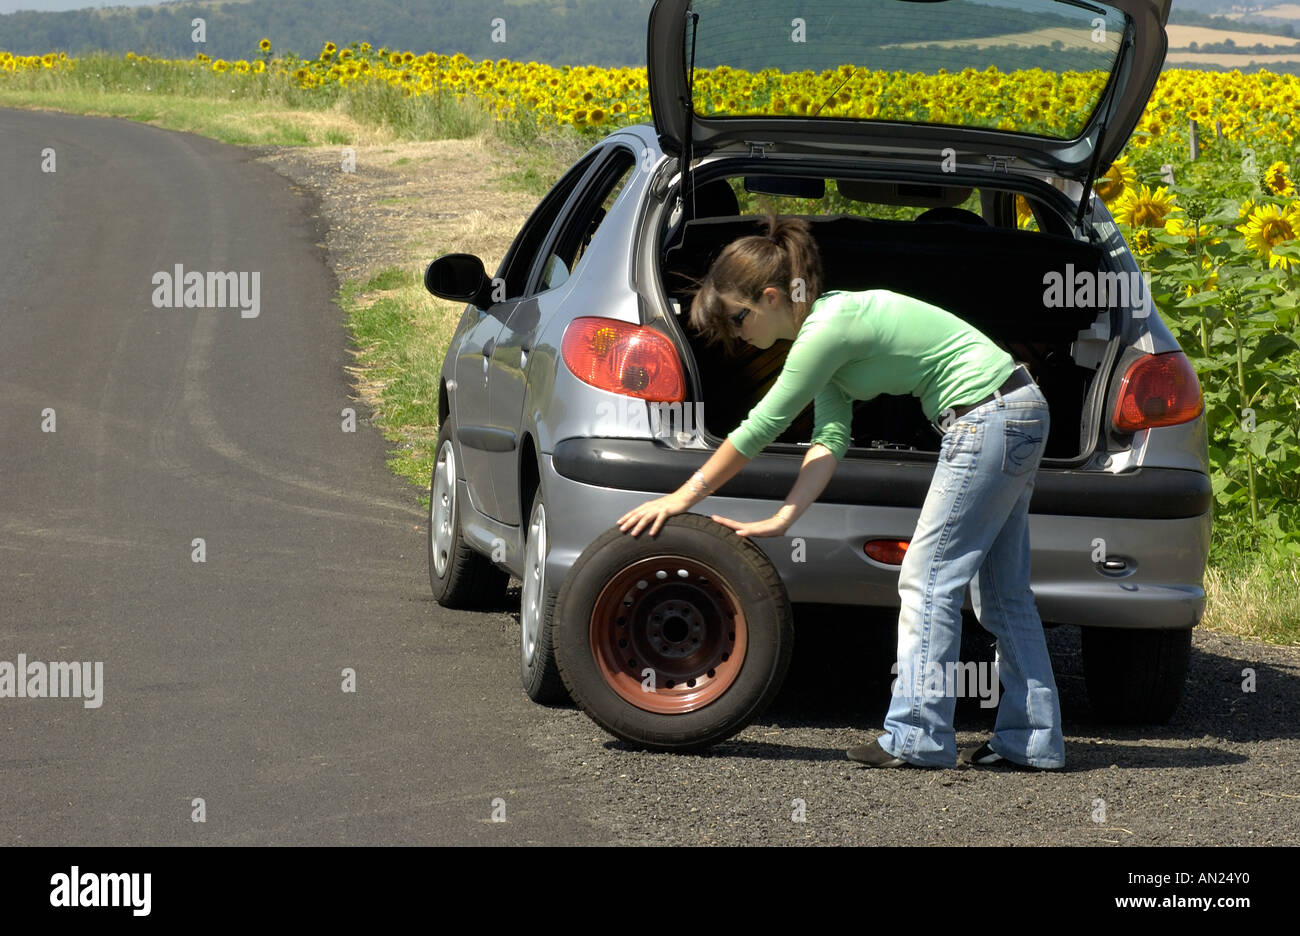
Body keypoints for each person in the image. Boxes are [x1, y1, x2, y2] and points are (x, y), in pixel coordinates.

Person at [616, 210, 1064, 770]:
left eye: (737, 317)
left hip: (989, 418)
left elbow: (763, 424)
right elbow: (829, 440)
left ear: (773, 296)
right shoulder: (826, 339)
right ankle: (1033, 740)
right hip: (1013, 411)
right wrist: (785, 518)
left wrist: (681, 497)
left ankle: (919, 735)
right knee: (1001, 592)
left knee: (927, 579)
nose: (736, 334)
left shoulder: (827, 330)